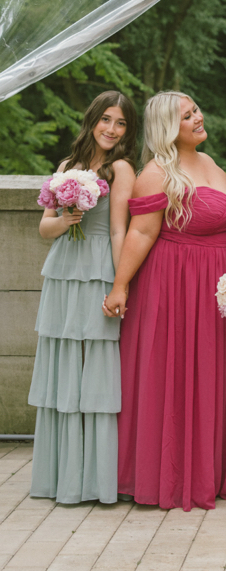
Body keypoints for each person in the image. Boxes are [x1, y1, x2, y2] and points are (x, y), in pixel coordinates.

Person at [105, 91, 226, 510]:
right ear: (168, 127)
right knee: (172, 375)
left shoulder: (212, 162)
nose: (198, 118)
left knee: (206, 375)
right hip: (173, 285)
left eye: (197, 109)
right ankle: (161, 475)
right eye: (187, 115)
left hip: (213, 288)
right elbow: (141, 233)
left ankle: (205, 472)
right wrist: (120, 285)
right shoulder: (156, 171)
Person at [30, 91, 137, 504]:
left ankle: (93, 480)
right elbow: (44, 229)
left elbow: (116, 231)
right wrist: (66, 218)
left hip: (98, 272)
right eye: (106, 119)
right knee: (62, 367)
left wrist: (119, 284)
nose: (111, 129)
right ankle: (60, 477)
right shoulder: (66, 168)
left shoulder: (121, 170)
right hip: (62, 271)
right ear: (93, 120)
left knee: (95, 368)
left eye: (121, 123)